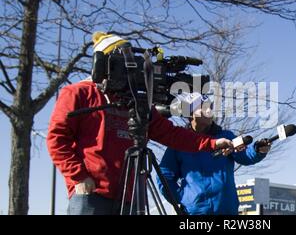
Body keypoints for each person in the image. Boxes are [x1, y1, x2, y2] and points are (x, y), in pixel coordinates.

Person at [46, 32, 234, 215]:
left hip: (130, 196)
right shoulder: (78, 93)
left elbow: (170, 134)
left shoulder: (137, 100)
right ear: (105, 64)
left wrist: (212, 143)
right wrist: (78, 176)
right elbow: (57, 139)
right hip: (91, 193)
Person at [157, 96, 271, 215]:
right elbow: (164, 176)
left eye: (211, 107)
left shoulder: (227, 136)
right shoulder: (179, 142)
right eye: (203, 107)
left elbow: (245, 156)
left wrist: (259, 151)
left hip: (228, 212)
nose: (209, 110)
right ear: (190, 114)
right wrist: (183, 199)